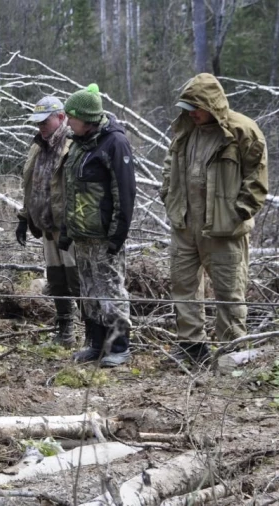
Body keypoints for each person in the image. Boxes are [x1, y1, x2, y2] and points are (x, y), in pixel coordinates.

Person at [161, 73, 268, 363]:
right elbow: (169, 166)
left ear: (211, 104)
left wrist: (238, 213)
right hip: (184, 225)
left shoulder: (242, 130)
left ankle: (231, 354)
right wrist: (168, 196)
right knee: (183, 287)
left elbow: (257, 177)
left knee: (229, 292)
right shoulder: (185, 130)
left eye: (196, 106)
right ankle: (190, 347)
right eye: (187, 107)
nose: (191, 112)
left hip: (224, 230)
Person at [58, 84, 136, 367]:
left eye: (72, 117)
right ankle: (95, 343)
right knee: (89, 291)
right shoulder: (78, 144)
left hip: (105, 236)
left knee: (111, 290)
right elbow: (72, 191)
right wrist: (67, 231)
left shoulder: (115, 143)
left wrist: (117, 235)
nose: (68, 122)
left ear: (87, 119)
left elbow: (124, 192)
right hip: (83, 236)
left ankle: (119, 346)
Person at [16, 96, 79, 346]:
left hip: (71, 228)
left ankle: (93, 338)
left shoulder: (74, 145)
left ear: (61, 118)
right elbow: (30, 185)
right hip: (47, 226)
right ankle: (65, 332)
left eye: (45, 121)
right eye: (38, 122)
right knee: (56, 280)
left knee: (77, 280)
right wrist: (23, 218)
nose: (41, 126)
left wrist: (74, 224)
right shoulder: (37, 146)